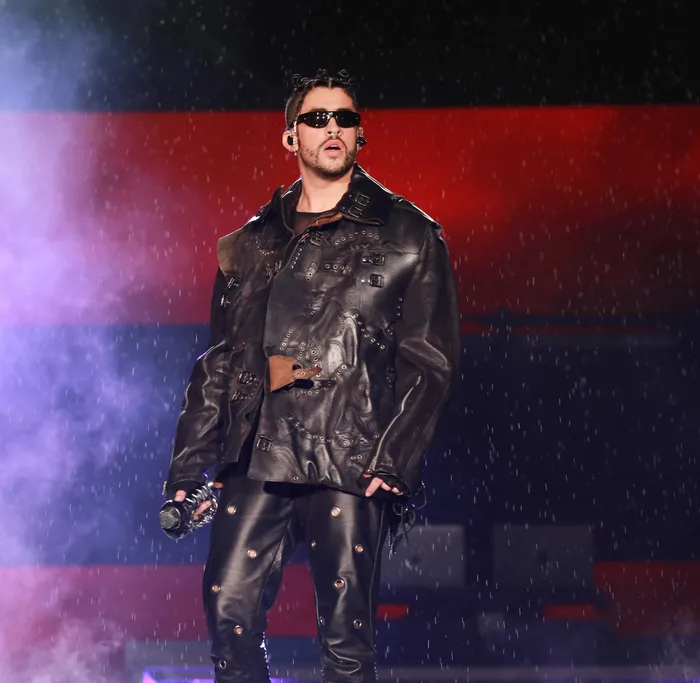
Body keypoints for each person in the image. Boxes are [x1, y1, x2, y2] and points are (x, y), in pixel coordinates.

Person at [161, 69, 461, 683]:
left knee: (346, 640)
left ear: (360, 135)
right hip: (258, 451)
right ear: (289, 137)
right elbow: (220, 358)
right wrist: (188, 470)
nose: (332, 128)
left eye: (345, 118)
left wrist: (393, 458)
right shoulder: (248, 243)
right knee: (227, 614)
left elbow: (430, 362)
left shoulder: (409, 235)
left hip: (350, 453)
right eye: (317, 118)